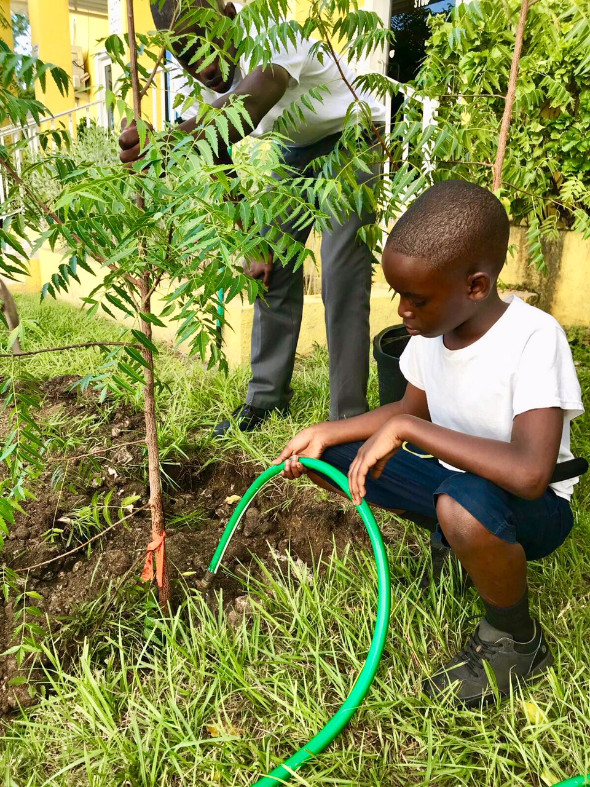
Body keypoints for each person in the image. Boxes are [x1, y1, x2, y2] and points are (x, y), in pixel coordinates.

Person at [275, 179, 584, 706]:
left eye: (416, 299)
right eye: (399, 294)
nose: (402, 311)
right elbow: (406, 410)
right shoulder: (432, 333)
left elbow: (532, 472)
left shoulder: (533, 338)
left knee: (461, 505)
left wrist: (409, 431)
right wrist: (330, 431)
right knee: (337, 458)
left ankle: (515, 638)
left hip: (534, 505)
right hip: (459, 484)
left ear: (477, 287)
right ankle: (458, 540)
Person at [119, 0, 386, 434]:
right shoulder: (213, 78)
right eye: (184, 55)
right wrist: (250, 244)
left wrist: (165, 144)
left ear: (227, 14)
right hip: (295, 149)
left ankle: (348, 417)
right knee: (272, 267)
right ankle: (264, 400)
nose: (202, 66)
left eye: (205, 43)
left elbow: (249, 104)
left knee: (340, 271)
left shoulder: (270, 34)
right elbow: (220, 151)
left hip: (353, 134)